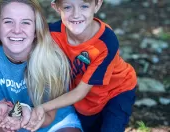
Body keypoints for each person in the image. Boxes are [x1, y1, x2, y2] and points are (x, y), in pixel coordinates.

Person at [26, 0, 138, 132]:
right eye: (67, 7)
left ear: (97, 5)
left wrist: (43, 107)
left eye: (84, 6)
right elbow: (20, 40)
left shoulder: (106, 42)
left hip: (116, 91)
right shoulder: (52, 33)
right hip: (84, 99)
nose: (76, 14)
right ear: (56, 7)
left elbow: (80, 92)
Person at [0, 0, 82, 132]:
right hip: (11, 116)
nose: (17, 30)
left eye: (25, 22)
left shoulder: (52, 59)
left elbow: (48, 117)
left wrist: (28, 112)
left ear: (36, 30)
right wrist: (4, 115)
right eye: (8, 21)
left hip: (55, 121)